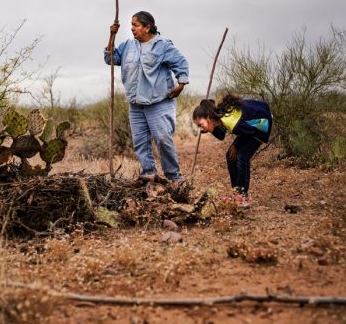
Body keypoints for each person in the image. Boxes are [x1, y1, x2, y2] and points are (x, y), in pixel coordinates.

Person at [104, 11, 189, 184]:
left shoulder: (163, 45)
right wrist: (111, 36)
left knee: (163, 140)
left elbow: (180, 63)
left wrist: (181, 84)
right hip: (135, 104)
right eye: (132, 25)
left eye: (135, 25)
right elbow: (110, 59)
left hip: (159, 102)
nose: (132, 28)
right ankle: (149, 175)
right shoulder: (128, 45)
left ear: (147, 27)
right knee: (140, 142)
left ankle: (175, 179)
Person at [192, 94, 272, 207]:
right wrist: (209, 130)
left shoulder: (231, 122)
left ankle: (242, 197)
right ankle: (236, 194)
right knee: (230, 155)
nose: (201, 128)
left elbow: (250, 132)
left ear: (209, 118)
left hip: (260, 125)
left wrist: (236, 144)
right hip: (248, 128)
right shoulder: (219, 117)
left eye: (201, 125)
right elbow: (221, 135)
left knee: (242, 156)